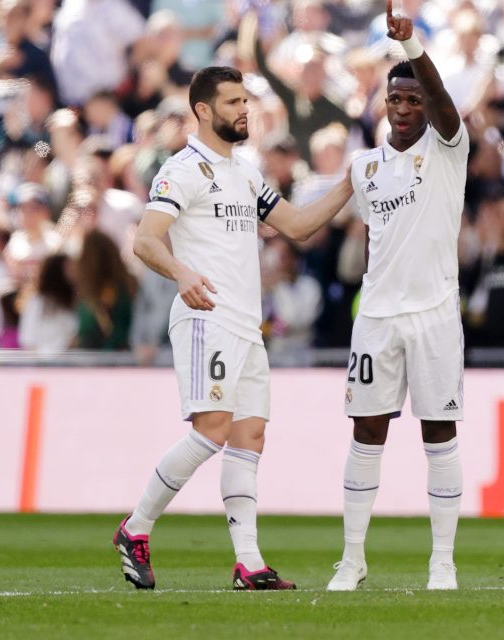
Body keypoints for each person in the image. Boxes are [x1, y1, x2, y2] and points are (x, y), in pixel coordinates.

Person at [114, 65, 354, 591]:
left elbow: (296, 227)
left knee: (249, 436)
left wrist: (349, 186)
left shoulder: (245, 172)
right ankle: (136, 528)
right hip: (207, 317)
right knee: (212, 432)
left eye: (245, 101)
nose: (244, 110)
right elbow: (146, 240)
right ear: (203, 110)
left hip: (247, 325)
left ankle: (248, 563)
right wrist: (181, 273)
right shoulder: (182, 171)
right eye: (232, 102)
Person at [326, 1, 469, 592]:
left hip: (435, 315)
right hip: (377, 320)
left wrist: (411, 48)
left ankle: (442, 561)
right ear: (383, 105)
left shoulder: (447, 149)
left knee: (439, 432)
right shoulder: (364, 168)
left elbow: (444, 104)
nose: (406, 108)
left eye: (414, 100)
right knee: (367, 432)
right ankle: (353, 560)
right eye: (396, 99)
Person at [19, 254, 79, 356]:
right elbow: (28, 339)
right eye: (69, 269)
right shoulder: (38, 303)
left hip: (73, 364)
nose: (74, 273)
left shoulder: (77, 301)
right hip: (47, 365)